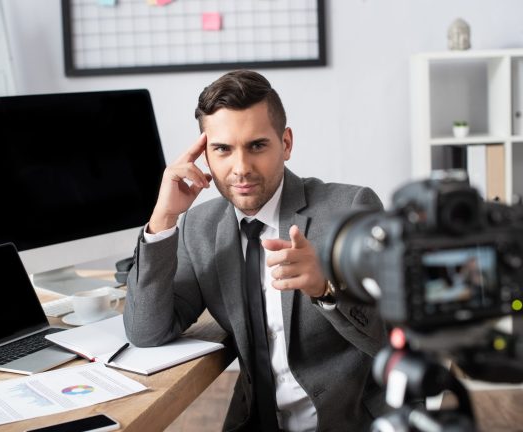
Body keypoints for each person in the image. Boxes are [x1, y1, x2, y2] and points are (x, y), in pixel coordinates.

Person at [123, 70, 388, 431]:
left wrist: (325, 289)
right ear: (205, 155)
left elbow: (394, 339)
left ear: (286, 143)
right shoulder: (198, 226)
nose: (241, 168)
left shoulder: (350, 208)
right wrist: (163, 217)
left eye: (257, 145)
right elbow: (146, 331)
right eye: (223, 150)